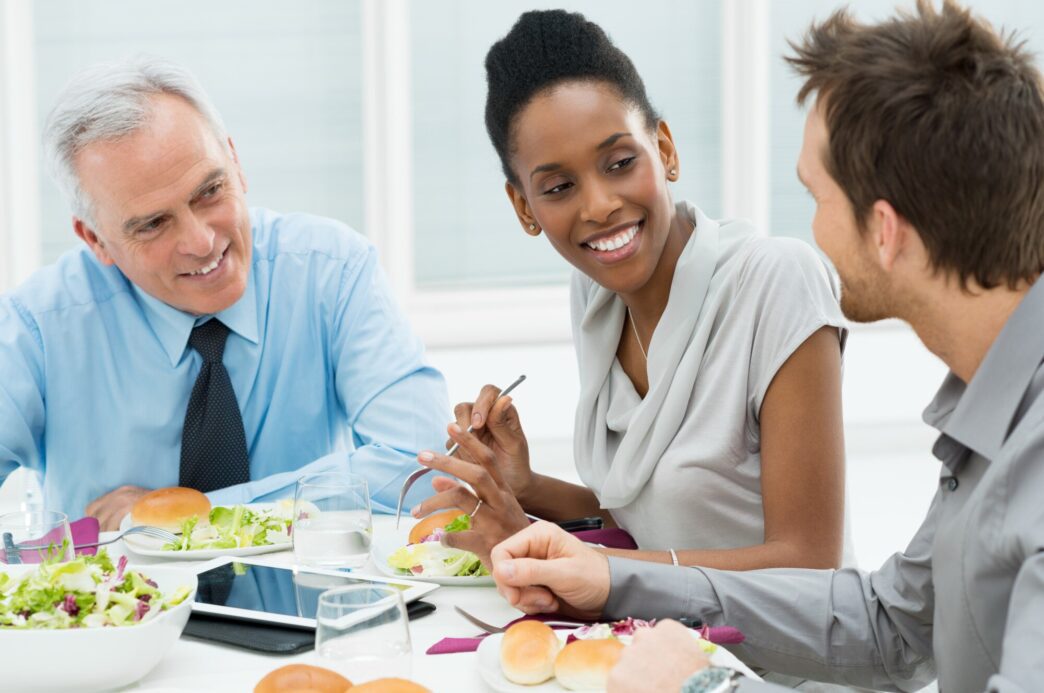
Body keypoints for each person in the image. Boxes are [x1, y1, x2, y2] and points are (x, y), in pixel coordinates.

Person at [489, 1, 1044, 691]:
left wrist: (702, 684)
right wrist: (610, 577)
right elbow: (890, 625)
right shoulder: (993, 411)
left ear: (885, 229)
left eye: (815, 195)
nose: (809, 231)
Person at [411, 9, 849, 574]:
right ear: (525, 207)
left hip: (779, 659)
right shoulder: (596, 299)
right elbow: (650, 524)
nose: (599, 206)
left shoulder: (776, 282)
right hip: (658, 644)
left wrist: (581, 563)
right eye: (559, 186)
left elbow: (809, 566)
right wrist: (525, 487)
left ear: (664, 150)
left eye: (619, 163)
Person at [0, 56, 449, 528]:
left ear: (235, 163)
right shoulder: (39, 327)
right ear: (95, 240)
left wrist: (195, 516)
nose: (201, 242)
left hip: (309, 604)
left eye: (209, 191)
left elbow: (425, 470)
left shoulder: (331, 272)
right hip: (120, 604)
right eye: (153, 224)